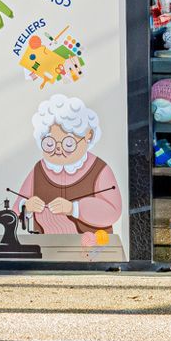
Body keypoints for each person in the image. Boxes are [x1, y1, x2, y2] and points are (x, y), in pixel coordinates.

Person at [17, 94, 122, 246]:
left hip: (92, 249)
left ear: (88, 136)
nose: (58, 150)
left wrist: (74, 208)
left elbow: (113, 211)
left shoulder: (100, 170)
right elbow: (16, 208)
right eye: (49, 144)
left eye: (68, 144)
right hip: (47, 248)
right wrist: (26, 206)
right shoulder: (39, 169)